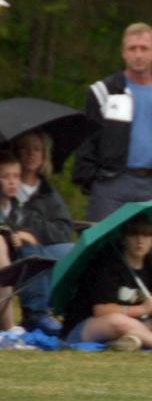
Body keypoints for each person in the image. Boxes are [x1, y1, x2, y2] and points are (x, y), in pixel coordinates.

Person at [73, 22, 152, 222]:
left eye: (144, 48)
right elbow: (87, 140)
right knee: (104, 247)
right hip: (111, 184)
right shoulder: (102, 92)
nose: (138, 55)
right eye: (132, 48)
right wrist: (90, 179)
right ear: (124, 53)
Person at [61, 213, 152, 353]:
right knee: (119, 321)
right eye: (134, 235)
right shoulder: (107, 263)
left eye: (146, 235)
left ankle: (120, 343)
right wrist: (143, 309)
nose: (140, 241)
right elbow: (101, 311)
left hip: (135, 325)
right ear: (124, 239)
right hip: (89, 326)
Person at [9, 131, 73, 335]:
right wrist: (22, 234)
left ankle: (76, 314)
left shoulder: (48, 192)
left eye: (37, 149)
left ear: (44, 155)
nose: (31, 154)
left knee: (76, 251)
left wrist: (32, 231)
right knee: (31, 251)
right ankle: (35, 314)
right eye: (25, 148)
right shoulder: (6, 184)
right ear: (16, 152)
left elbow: (64, 230)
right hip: (10, 251)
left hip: (45, 249)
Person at [0, 152, 21, 331]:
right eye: (6, 176)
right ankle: (8, 326)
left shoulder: (18, 209)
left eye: (16, 176)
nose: (12, 181)